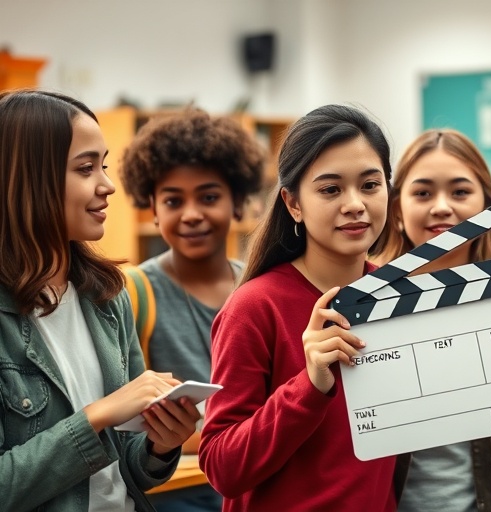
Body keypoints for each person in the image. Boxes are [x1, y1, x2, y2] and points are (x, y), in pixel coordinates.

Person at [0, 90, 200, 511]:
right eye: (86, 168)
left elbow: (129, 466)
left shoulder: (108, 297)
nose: (108, 185)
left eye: (103, 166)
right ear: (28, 178)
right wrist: (97, 416)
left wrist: (161, 445)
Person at [198, 104, 399, 511]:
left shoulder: (399, 294)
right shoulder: (254, 307)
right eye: (330, 189)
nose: (355, 204)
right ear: (293, 204)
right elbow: (222, 466)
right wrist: (309, 385)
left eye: (370, 185)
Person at [371, 128, 491, 511]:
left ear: (487, 205)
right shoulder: (365, 305)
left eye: (460, 191)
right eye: (422, 193)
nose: (441, 207)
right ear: (397, 210)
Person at [118, 108, 265, 512]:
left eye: (209, 196)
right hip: (175, 493)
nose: (192, 213)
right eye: (173, 200)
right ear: (152, 207)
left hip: (254, 484)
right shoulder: (134, 293)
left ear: (238, 203)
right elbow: (127, 422)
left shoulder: (260, 288)